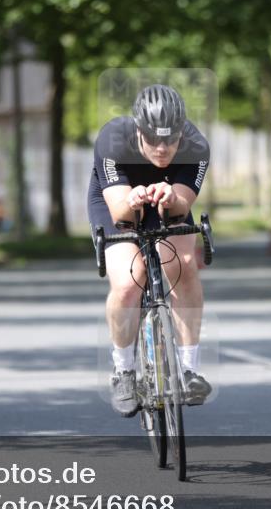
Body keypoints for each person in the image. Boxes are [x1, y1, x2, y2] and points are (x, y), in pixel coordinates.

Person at [88, 85, 212, 417]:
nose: (162, 148)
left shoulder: (196, 145)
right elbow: (121, 214)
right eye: (153, 140)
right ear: (138, 130)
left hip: (168, 200)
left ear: (181, 133)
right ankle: (124, 372)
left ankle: (188, 370)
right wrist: (132, 200)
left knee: (184, 263)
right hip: (117, 200)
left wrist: (171, 197)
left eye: (170, 140)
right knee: (130, 280)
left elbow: (182, 206)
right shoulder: (113, 139)